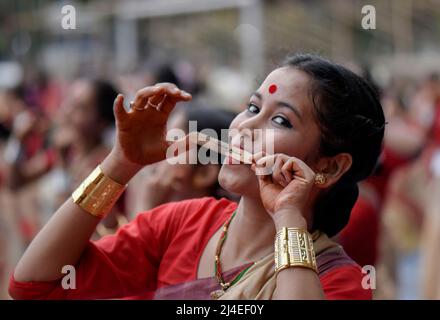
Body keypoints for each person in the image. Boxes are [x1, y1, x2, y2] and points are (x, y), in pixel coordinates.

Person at [8, 54, 385, 300]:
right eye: (252, 106)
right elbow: (33, 284)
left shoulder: (338, 283)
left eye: (280, 120)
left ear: (330, 166)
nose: (245, 126)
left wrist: (289, 215)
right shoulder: (182, 224)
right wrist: (121, 163)